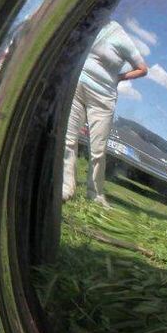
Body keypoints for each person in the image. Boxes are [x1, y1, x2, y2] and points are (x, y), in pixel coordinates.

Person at [62, 20, 148, 207]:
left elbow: (143, 69)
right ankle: (67, 187)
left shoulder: (121, 36)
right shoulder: (91, 26)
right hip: (78, 86)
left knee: (97, 150)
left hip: (102, 97)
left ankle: (95, 193)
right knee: (68, 139)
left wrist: (119, 77)